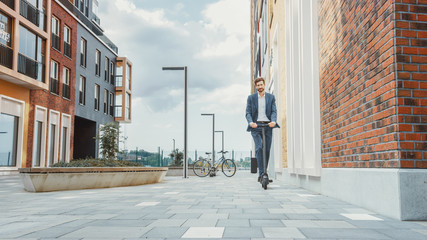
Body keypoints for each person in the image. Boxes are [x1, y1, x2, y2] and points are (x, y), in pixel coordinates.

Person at [245, 77, 279, 182]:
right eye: (258, 85)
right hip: (256, 126)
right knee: (259, 148)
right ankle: (261, 174)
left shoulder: (271, 97)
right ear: (256, 87)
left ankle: (265, 171)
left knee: (267, 149)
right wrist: (251, 122)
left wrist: (273, 121)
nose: (260, 87)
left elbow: (274, 111)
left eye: (261, 85)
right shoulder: (251, 98)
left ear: (264, 85)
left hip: (268, 125)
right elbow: (248, 112)